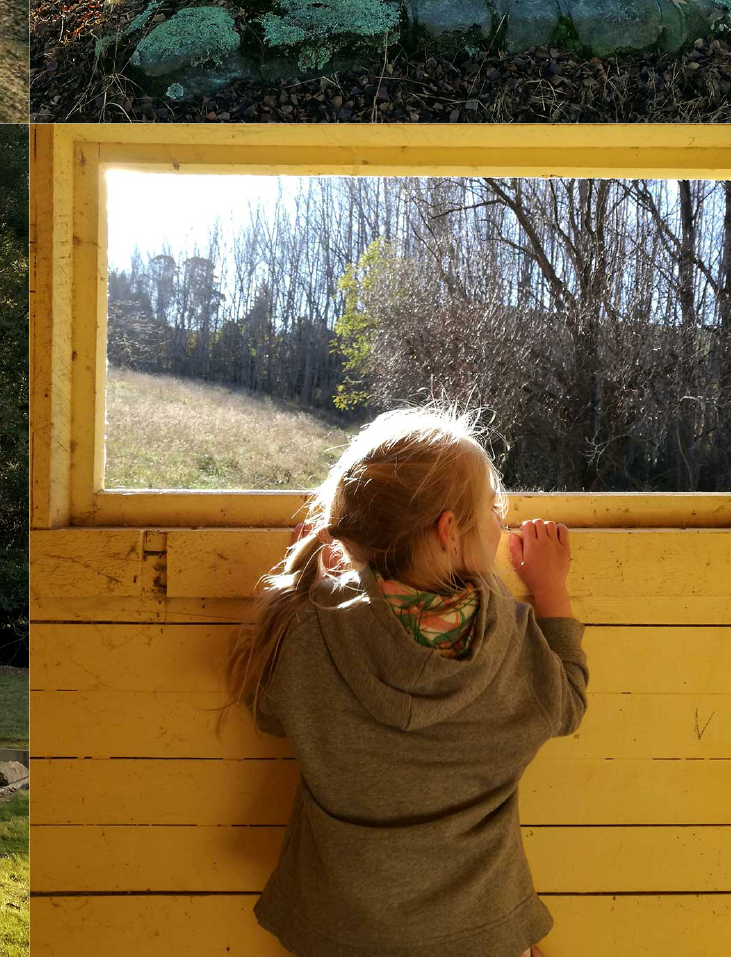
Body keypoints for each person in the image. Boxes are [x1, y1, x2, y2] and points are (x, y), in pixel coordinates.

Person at [225, 407, 589, 957]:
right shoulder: (510, 637)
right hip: (479, 931)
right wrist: (550, 590)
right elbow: (568, 705)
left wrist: (311, 582)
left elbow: (267, 709)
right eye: (493, 508)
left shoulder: (308, 627)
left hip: (339, 931)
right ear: (449, 531)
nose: (501, 521)